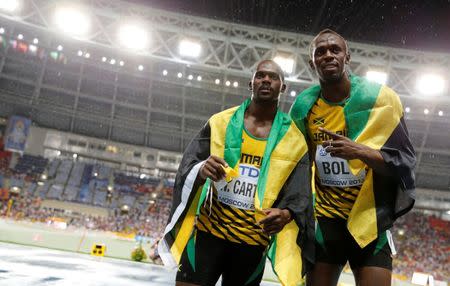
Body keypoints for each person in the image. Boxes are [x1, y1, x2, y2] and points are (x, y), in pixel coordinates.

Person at [159, 60, 315, 286]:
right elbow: (189, 164)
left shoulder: (294, 139)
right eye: (260, 75)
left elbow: (300, 192)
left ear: (283, 87)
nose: (266, 80)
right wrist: (202, 169)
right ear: (249, 83)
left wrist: (286, 214)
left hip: (252, 244)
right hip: (207, 235)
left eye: (273, 77)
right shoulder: (220, 122)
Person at [289, 29, 416, 286]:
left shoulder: (381, 99)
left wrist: (361, 152)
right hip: (325, 221)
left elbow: (404, 163)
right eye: (320, 52)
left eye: (335, 49)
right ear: (312, 62)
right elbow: (295, 165)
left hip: (370, 219)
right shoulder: (303, 106)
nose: (328, 55)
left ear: (348, 56)